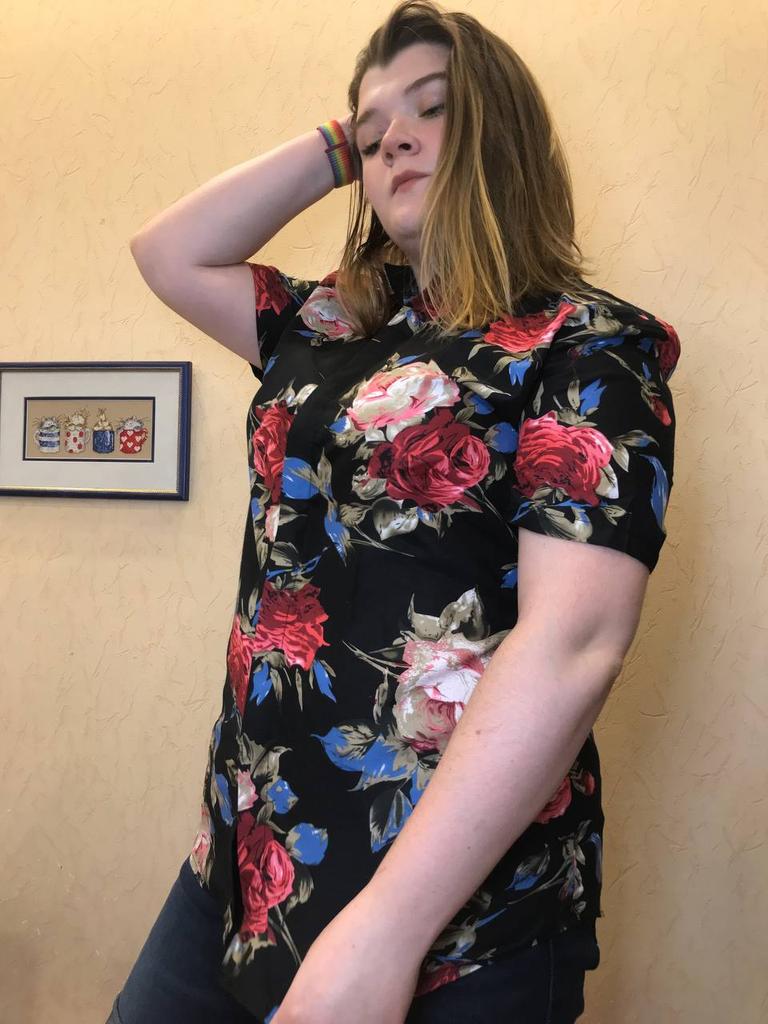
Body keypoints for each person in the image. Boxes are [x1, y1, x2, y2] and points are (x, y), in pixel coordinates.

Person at [113, 2, 681, 1022]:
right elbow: (167, 252)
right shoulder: (323, 325)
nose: (395, 140)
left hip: (456, 919)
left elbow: (574, 646)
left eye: (434, 108)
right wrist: (347, 143)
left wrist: (385, 931)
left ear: (501, 131)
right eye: (374, 128)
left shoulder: (586, 347)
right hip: (247, 861)